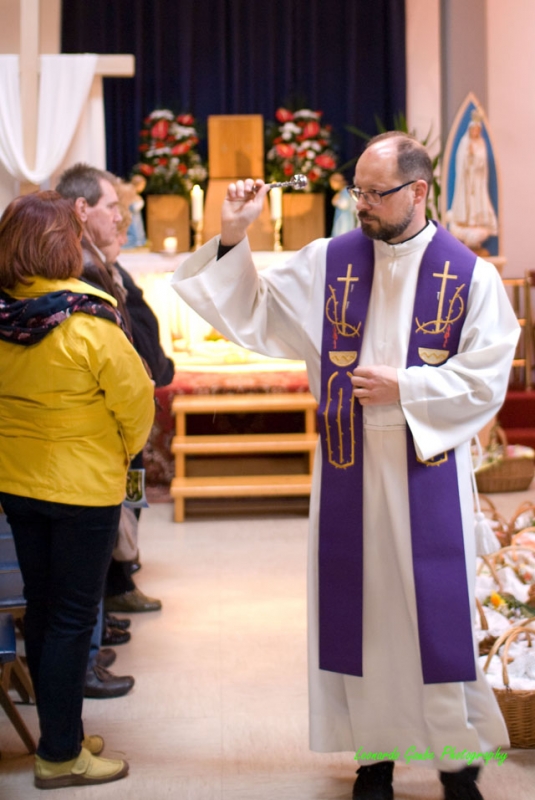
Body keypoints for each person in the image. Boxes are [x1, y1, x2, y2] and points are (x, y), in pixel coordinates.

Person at [171, 132, 520, 800]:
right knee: (364, 620)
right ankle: (374, 760)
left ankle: (455, 765)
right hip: (348, 465)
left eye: (375, 193)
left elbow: (486, 379)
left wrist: (406, 388)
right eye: (356, 190)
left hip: (425, 464)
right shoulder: (329, 261)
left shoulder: (467, 275)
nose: (360, 204)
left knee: (433, 616)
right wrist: (233, 235)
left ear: (418, 192)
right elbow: (255, 311)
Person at [0, 191, 155, 789]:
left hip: (17, 483)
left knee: (42, 613)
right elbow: (136, 403)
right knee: (71, 619)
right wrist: (119, 451)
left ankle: (58, 734)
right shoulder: (87, 321)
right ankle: (61, 756)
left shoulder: (4, 315)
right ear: (62, 246)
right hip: (82, 490)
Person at [56, 164, 163, 621]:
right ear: (82, 210)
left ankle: (115, 588)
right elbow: (123, 345)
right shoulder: (84, 270)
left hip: (115, 417)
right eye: (113, 206)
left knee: (121, 512)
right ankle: (104, 604)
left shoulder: (101, 263)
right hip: (101, 428)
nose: (122, 217)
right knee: (101, 528)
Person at [446, 112, 498, 255]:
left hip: (478, 180)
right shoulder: (465, 143)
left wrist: (474, 156)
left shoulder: (481, 144)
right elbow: (461, 162)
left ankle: (475, 223)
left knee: (478, 202)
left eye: (477, 130)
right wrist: (468, 155)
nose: (475, 132)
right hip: (466, 181)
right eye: (473, 130)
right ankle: (466, 221)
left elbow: (482, 162)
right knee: (466, 202)